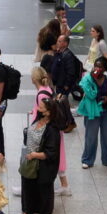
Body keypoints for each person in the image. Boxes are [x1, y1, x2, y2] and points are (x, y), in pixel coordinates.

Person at [17, 96, 63, 214]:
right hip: (30, 160)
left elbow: (51, 153)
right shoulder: (39, 119)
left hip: (43, 165)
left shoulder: (52, 130)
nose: (38, 107)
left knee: (43, 189)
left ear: (48, 112)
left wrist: (35, 155)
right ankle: (28, 211)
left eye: (41, 106)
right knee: (27, 185)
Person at [31, 66, 70, 195]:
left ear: (33, 79)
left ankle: (33, 183)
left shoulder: (41, 94)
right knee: (57, 155)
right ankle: (64, 185)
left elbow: (43, 113)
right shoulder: (47, 89)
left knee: (47, 156)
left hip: (46, 130)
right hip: (54, 128)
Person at [79, 57, 107, 169]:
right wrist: (91, 77)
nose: (97, 68)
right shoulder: (89, 79)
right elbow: (86, 91)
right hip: (92, 112)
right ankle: (87, 160)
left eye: (100, 66)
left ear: (105, 68)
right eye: (96, 66)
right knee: (91, 137)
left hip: (106, 111)